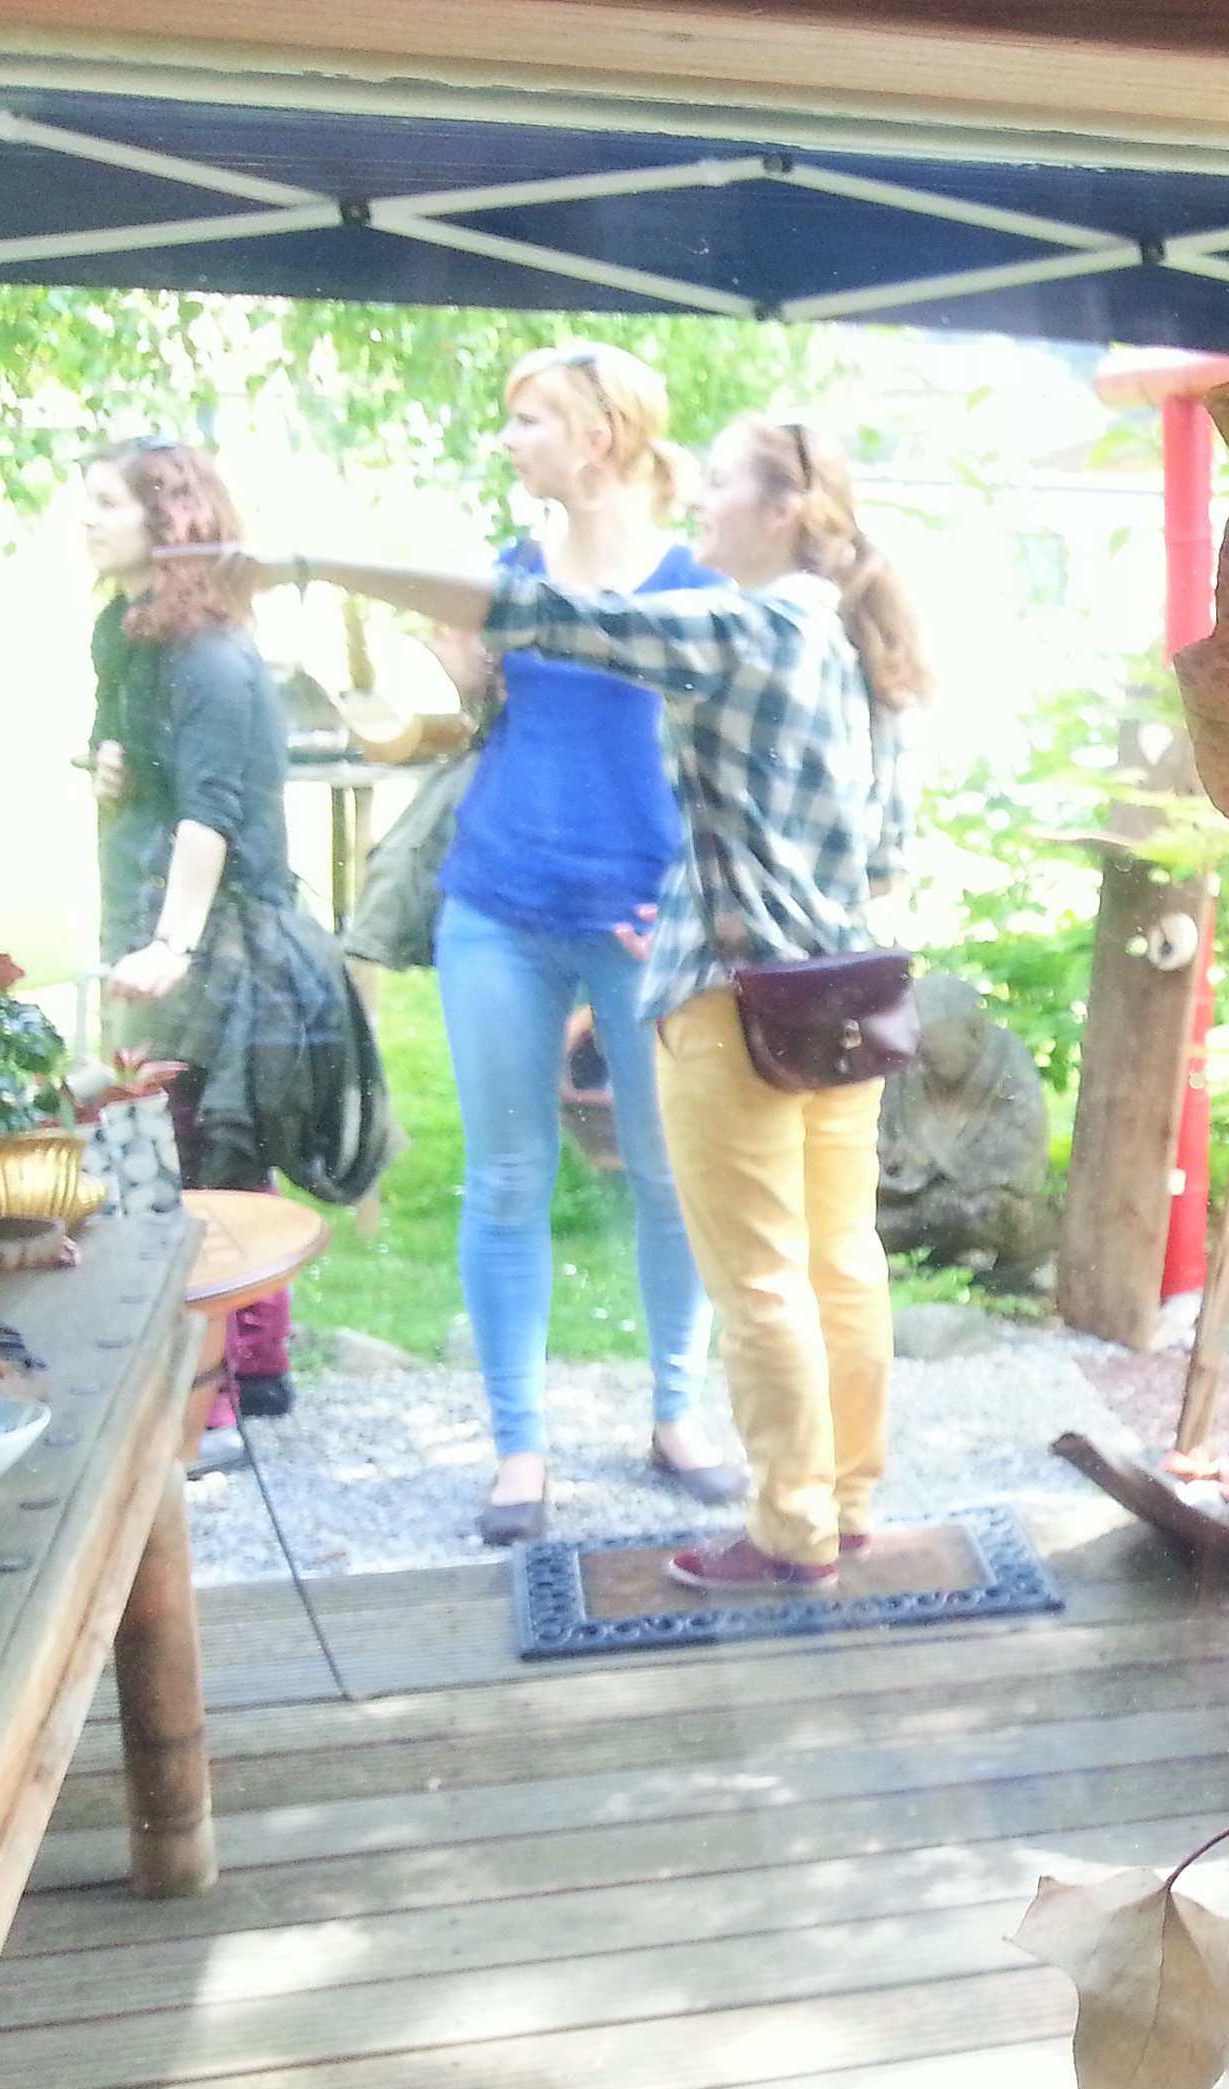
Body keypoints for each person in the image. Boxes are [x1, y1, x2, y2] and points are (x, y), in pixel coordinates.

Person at [185, 414, 928, 1590]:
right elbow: (880, 855)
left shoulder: (743, 625)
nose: (700, 504)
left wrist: (307, 563)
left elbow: (534, 613)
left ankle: (790, 1534)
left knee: (762, 1279)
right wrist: (707, 895)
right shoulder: (847, 640)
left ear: (785, 509)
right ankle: (842, 1504)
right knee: (842, 1261)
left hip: (735, 1005)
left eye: (721, 484)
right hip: (842, 993)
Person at [427, 343, 742, 1547]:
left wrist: (696, 899)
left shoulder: (695, 582)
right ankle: (520, 1449)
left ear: (600, 435)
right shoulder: (506, 573)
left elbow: (728, 761)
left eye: (531, 421)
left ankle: (677, 1417)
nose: (510, 440)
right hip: (498, 903)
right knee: (507, 1177)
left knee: (670, 1176)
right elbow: (481, 717)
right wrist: (460, 674)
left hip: (645, 921)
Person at [84, 437, 355, 1455]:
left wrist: (172, 947)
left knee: (200, 1155)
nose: (86, 519)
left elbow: (213, 814)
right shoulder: (125, 633)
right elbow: (135, 763)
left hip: (220, 938)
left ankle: (222, 1401)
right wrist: (105, 761)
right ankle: (255, 1369)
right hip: (151, 918)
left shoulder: (208, 654)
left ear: (171, 522)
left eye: (106, 503)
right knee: (170, 1146)